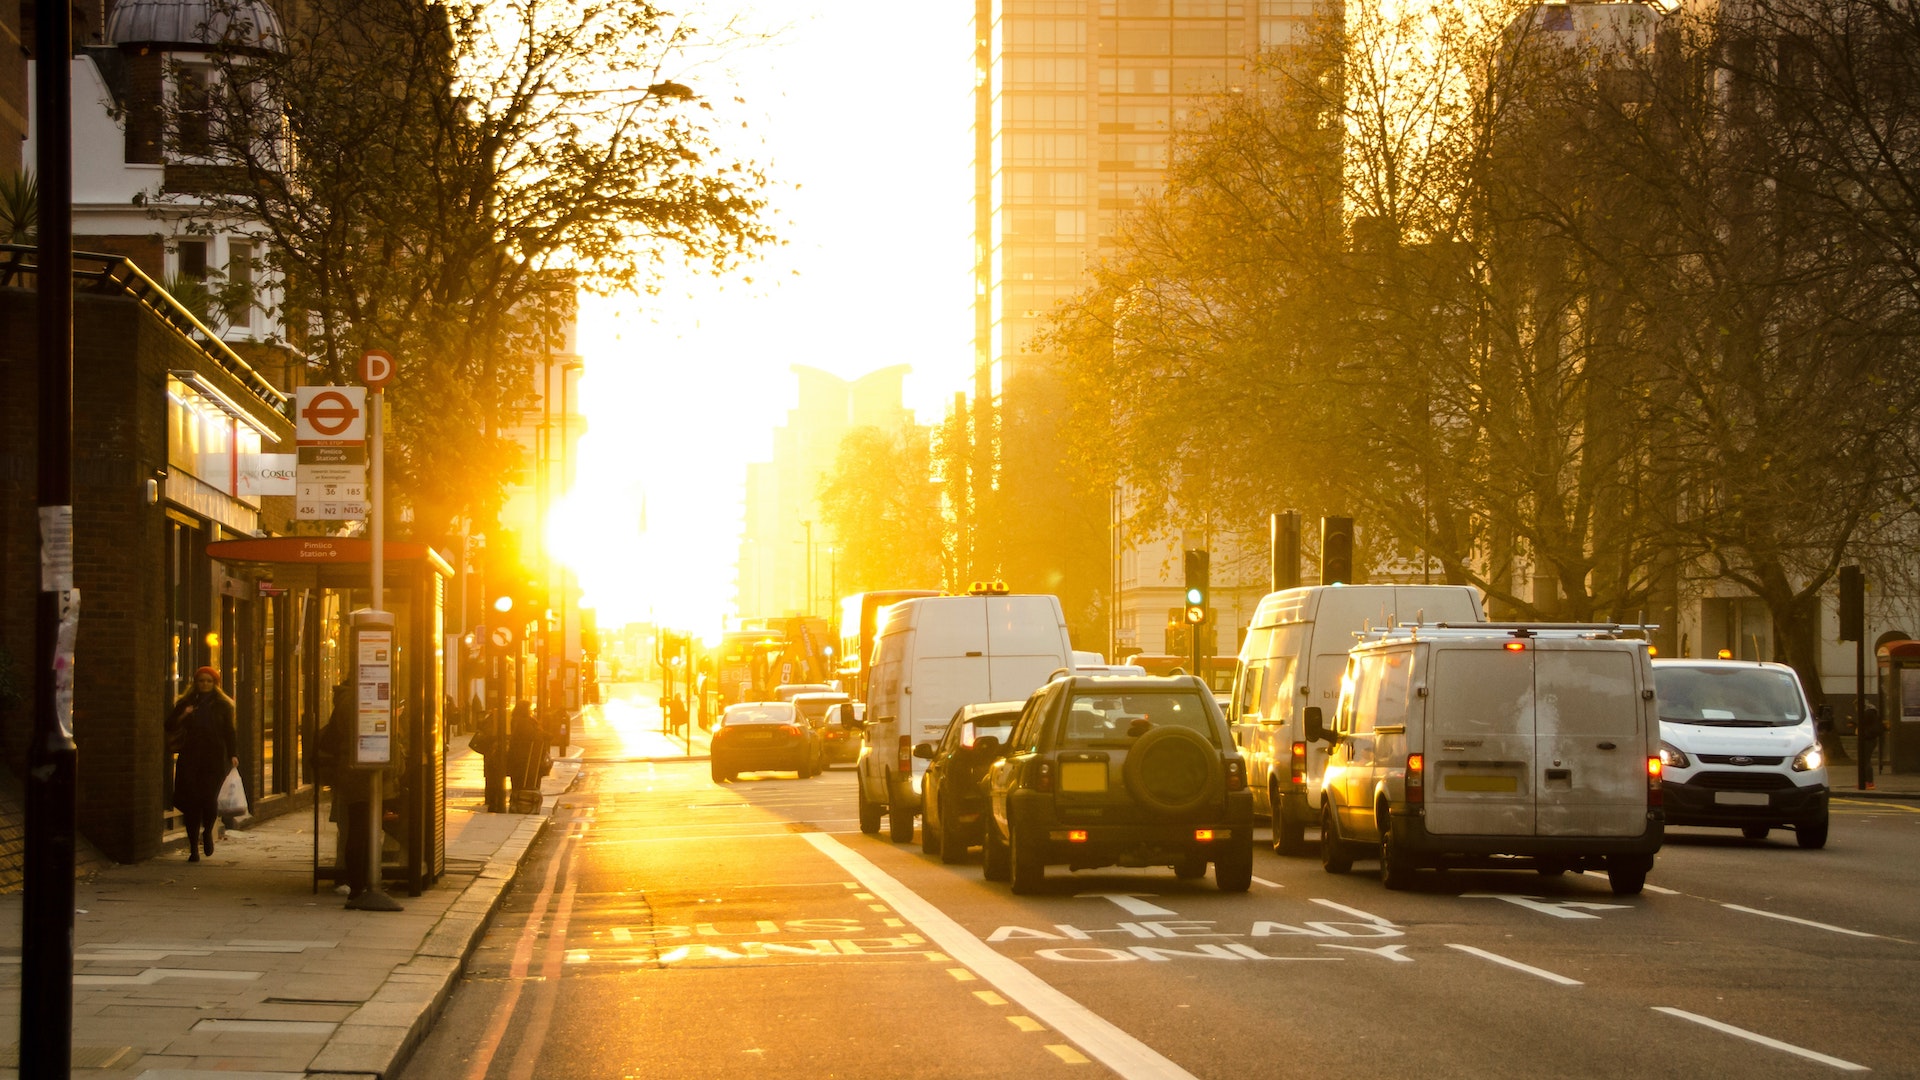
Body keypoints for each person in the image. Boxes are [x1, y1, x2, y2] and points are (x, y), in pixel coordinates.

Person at [166, 666, 237, 862]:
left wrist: (232, 754)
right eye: (201, 681)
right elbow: (169, 725)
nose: (204, 684)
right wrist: (184, 714)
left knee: (209, 798)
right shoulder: (186, 703)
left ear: (215, 684)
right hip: (190, 756)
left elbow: (229, 731)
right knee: (191, 802)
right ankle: (193, 848)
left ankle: (207, 832)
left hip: (213, 757)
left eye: (209, 681)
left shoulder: (223, 705)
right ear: (195, 683)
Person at [319, 682, 373, 897]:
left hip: (350, 772)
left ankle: (357, 881)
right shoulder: (354, 701)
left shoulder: (347, 699)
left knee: (354, 828)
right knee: (357, 828)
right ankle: (357, 883)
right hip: (357, 772)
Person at [508, 701, 546, 811]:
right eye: (529, 708)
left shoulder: (518, 719)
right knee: (525, 783)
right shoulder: (523, 721)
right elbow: (532, 735)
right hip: (526, 758)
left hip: (520, 757)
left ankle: (518, 804)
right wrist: (545, 735)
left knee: (518, 783)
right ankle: (523, 805)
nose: (530, 710)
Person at [1858, 703, 1886, 791]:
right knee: (1866, 760)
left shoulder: (1867, 714)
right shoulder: (1873, 713)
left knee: (1866, 761)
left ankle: (1869, 782)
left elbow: (1864, 725)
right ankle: (1867, 782)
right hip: (1871, 738)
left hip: (1867, 739)